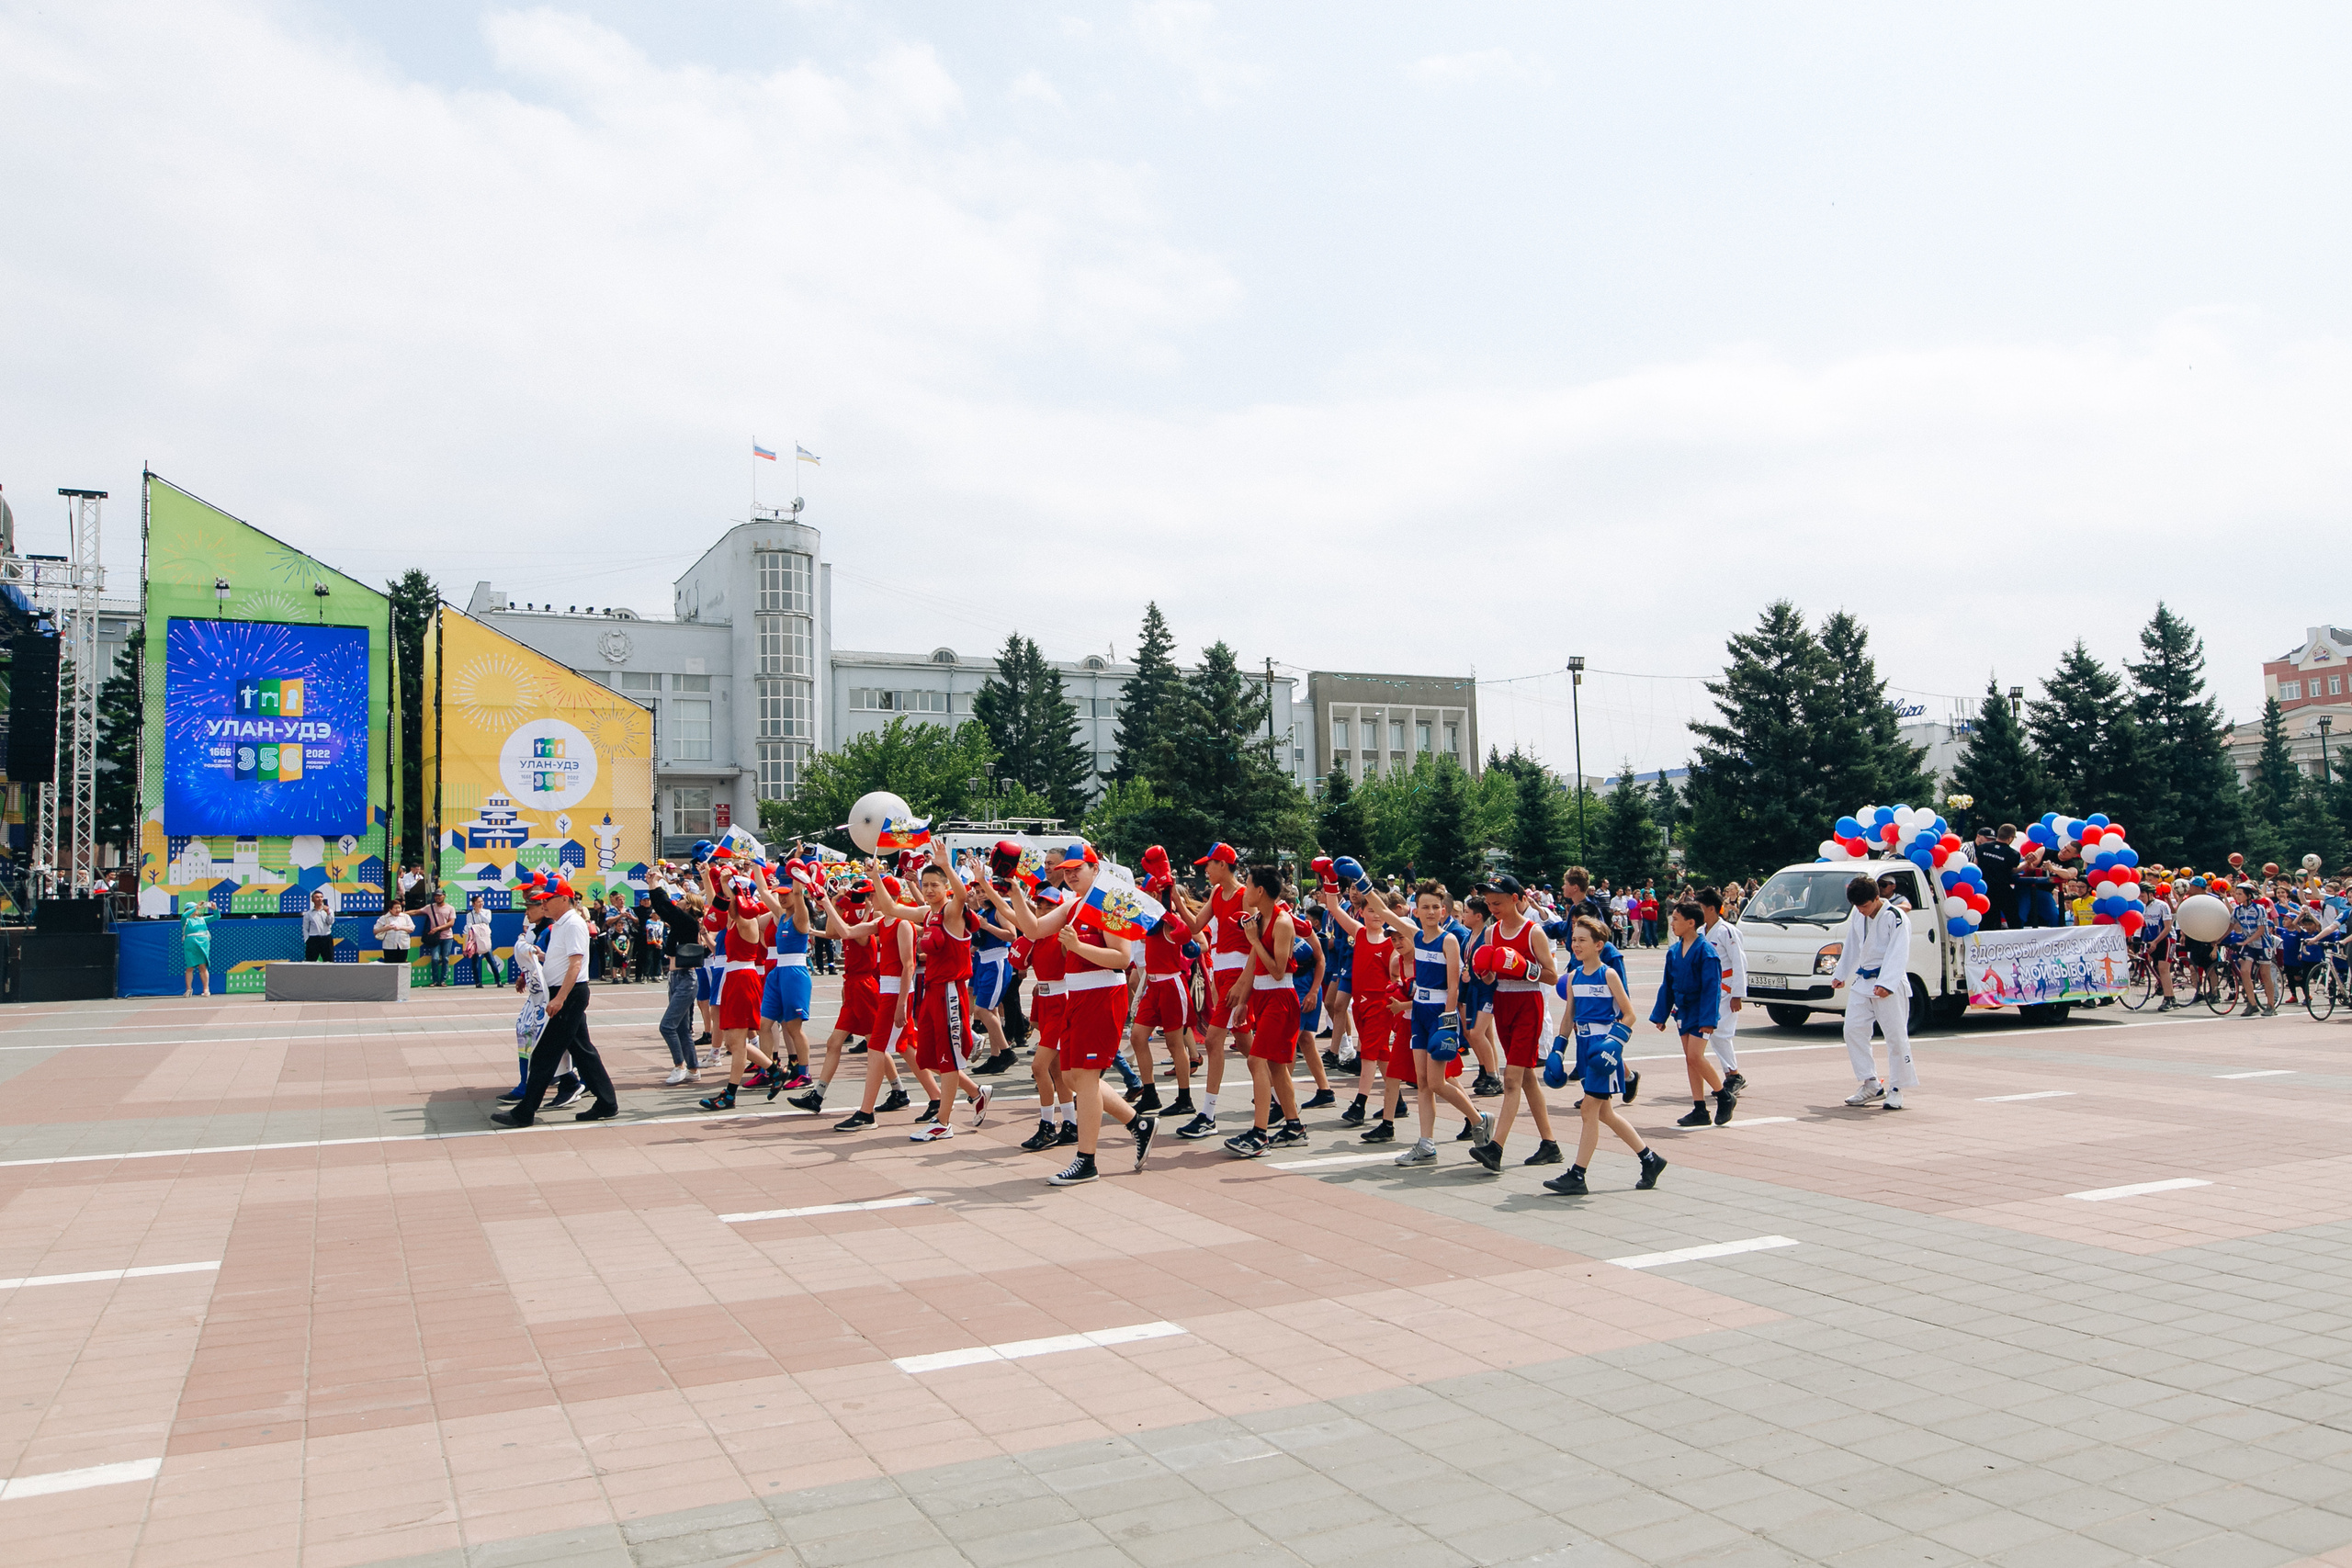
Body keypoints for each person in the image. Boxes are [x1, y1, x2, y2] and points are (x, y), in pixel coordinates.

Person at [866, 852, 992, 1139]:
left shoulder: (952, 911)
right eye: (926, 885)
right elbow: (891, 908)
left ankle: (943, 1121)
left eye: (935, 884)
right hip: (932, 991)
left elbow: (961, 895)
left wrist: (947, 865)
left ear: (946, 886)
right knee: (929, 1056)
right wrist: (874, 876)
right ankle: (976, 1091)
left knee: (947, 1057)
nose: (929, 889)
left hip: (950, 990)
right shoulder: (927, 913)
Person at [1545, 916, 1667, 1195]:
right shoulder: (1574, 977)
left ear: (1599, 945)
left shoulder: (1608, 974)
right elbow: (1569, 1016)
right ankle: (1650, 1159)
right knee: (1605, 1114)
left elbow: (1629, 1014)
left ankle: (1578, 1175)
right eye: (1573, 939)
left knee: (1589, 1111)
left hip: (1604, 1048)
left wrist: (1615, 1042)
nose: (1575, 945)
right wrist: (1558, 1049)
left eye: (1582, 940)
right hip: (1585, 1045)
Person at [492, 875, 617, 1126]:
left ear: (563, 899)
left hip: (568, 994)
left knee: (544, 1054)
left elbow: (576, 964)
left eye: (547, 899)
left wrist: (560, 998)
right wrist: (540, 958)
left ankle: (525, 1112)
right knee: (583, 1052)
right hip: (565, 992)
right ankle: (606, 1102)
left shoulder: (572, 924)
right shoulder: (561, 923)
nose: (543, 904)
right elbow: (563, 961)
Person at [1385, 878, 1490, 1166]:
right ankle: (1426, 1144)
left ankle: (1479, 1119)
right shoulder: (1416, 936)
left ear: (1443, 910)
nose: (1431, 911)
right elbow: (1387, 915)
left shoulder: (1450, 940)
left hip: (1439, 1014)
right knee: (1421, 1082)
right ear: (1415, 910)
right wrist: (1362, 884)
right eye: (1425, 907)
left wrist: (1447, 1020)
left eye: (1436, 906)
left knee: (1436, 1082)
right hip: (1418, 1013)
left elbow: (1454, 987)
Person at [1465, 874, 1562, 1172]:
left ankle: (1496, 1148)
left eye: (1498, 902)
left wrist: (1525, 968)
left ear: (1516, 899)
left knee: (1511, 1080)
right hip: (1503, 1003)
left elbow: (1552, 976)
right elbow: (1493, 975)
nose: (1493, 908)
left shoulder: (1534, 932)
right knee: (1527, 1076)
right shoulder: (1493, 933)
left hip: (1528, 1004)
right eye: (1490, 903)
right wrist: (1487, 974)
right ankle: (1550, 1144)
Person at [1168, 842, 1252, 1141]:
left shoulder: (1246, 895)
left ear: (1223, 864)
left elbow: (1258, 941)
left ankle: (1208, 1114)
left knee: (1215, 1041)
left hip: (1241, 977)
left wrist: (1244, 984)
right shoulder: (1217, 894)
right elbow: (1195, 925)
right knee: (1246, 1045)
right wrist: (1176, 900)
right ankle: (1277, 1094)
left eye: (1209, 864)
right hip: (1224, 974)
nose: (1205, 869)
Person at [1221, 866, 1307, 1156]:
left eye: (1248, 884)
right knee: (1275, 1066)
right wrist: (1244, 1000)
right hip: (1265, 996)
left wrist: (1254, 940)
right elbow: (1253, 967)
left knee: (1256, 1061)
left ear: (1260, 891)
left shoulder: (1282, 923)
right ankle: (1294, 1126)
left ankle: (1260, 1134)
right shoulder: (1260, 919)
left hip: (1281, 998)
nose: (1244, 890)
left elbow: (1278, 970)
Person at [1832, 874, 1916, 1109]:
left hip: (1889, 983)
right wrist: (1841, 974)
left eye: (1865, 905)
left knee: (1896, 1036)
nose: (1860, 910)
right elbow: (1851, 945)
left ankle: (1897, 1088)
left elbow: (1899, 952)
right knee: (1852, 1030)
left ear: (1877, 898)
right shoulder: (1859, 916)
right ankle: (1871, 1083)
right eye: (1856, 906)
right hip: (1863, 980)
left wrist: (1887, 983)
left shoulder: (1895, 917)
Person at [1652, 901, 1733, 1127]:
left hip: (1700, 1010)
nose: (1672, 923)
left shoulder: (1706, 951)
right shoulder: (1674, 951)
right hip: (1683, 1010)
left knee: (1695, 1056)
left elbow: (1712, 988)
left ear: (1691, 923)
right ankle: (1700, 1109)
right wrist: (1661, 1014)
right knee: (1690, 1060)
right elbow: (1667, 985)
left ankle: (1724, 1096)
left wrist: (1709, 1020)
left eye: (1676, 919)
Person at [646, 873, 705, 1083]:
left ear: (688, 906)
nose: (678, 901)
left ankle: (679, 1065)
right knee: (682, 1028)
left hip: (685, 979)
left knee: (667, 1026)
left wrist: (655, 885)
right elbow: (664, 909)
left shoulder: (688, 923)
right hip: (676, 978)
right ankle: (694, 1069)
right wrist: (653, 885)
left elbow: (666, 908)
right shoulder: (682, 925)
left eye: (681, 899)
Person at [1696, 887, 1748, 1094]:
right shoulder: (1700, 932)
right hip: (1708, 990)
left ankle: (1734, 1075)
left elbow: (1739, 962)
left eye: (1699, 908)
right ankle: (1731, 1074)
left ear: (1710, 909)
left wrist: (1738, 994)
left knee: (1721, 1033)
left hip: (1726, 989)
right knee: (1713, 1033)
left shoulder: (1728, 931)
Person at [1975, 827, 2020, 931]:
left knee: (1987, 922)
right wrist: (2027, 863)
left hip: (1984, 889)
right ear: (2011, 838)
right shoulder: (2013, 854)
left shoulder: (1983, 847)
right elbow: (2013, 870)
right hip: (2002, 890)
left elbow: (1975, 864)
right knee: (2013, 920)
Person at [181, 897, 217, 996]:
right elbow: (184, 915)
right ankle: (188, 989)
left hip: (203, 944)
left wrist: (215, 909)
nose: (195, 910)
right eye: (192, 909)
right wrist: (195, 907)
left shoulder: (202, 919)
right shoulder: (186, 920)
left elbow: (216, 917)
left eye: (196, 908)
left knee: (202, 966)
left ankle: (206, 989)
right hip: (190, 945)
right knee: (190, 967)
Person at [422, 888, 457, 987]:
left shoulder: (450, 908)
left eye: (439, 895)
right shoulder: (430, 907)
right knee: (435, 959)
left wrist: (437, 929)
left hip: (447, 937)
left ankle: (443, 980)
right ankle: (435, 980)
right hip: (435, 938)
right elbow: (417, 912)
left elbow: (451, 923)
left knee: (445, 958)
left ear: (444, 896)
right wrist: (402, 913)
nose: (437, 897)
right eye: (436, 896)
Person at [373, 901, 414, 975]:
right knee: (390, 966)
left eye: (399, 908)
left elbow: (411, 929)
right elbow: (375, 931)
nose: (398, 910)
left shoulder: (405, 917)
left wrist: (400, 928)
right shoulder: (384, 918)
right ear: (390, 909)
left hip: (403, 945)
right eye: (396, 908)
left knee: (402, 965)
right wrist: (385, 928)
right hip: (389, 946)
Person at [463, 894, 495, 985]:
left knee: (491, 960)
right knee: (475, 961)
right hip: (475, 939)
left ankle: (498, 980)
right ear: (473, 904)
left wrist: (480, 912)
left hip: (485, 939)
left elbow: (487, 921)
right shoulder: (470, 914)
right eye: (478, 902)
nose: (481, 903)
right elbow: (469, 925)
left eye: (482, 901)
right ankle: (478, 982)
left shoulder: (487, 912)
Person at [302, 889, 336, 962]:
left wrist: (328, 913)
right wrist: (307, 940)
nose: (319, 899)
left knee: (329, 960)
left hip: (326, 938)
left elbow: (330, 922)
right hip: (314, 939)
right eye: (317, 897)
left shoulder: (329, 911)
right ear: (313, 899)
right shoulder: (309, 913)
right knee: (310, 960)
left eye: (321, 897)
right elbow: (305, 928)